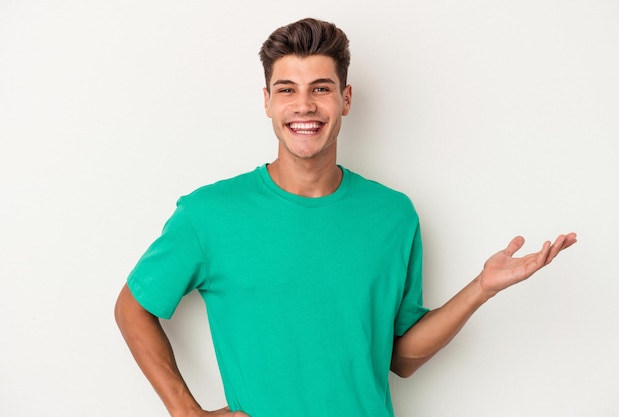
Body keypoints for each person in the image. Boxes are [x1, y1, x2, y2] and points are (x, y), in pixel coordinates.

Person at [114, 18, 577, 417]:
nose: (304, 106)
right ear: (267, 102)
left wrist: (480, 288)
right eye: (287, 90)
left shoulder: (393, 215)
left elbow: (402, 358)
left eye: (321, 88)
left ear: (346, 98)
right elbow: (133, 307)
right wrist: (185, 410)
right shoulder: (207, 215)